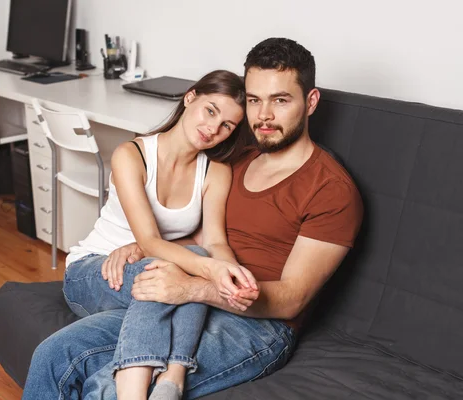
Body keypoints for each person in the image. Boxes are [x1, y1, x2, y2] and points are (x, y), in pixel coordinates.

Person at [22, 37, 364, 400]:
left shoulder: (331, 190)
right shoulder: (235, 160)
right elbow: (203, 241)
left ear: (310, 102)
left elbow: (293, 299)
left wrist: (195, 288)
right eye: (253, 100)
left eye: (280, 100)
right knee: (54, 354)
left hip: (256, 323)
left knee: (104, 389)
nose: (263, 116)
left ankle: (167, 378)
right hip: (191, 295)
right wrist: (140, 247)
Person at [23, 69, 257, 400]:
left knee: (188, 268)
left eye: (227, 126)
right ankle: (150, 389)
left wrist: (232, 276)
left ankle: (169, 381)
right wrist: (207, 270)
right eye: (210, 110)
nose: (213, 129)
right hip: (94, 269)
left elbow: (213, 241)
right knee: (174, 272)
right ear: (190, 97)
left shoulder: (215, 171)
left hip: (142, 276)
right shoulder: (131, 155)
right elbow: (150, 241)